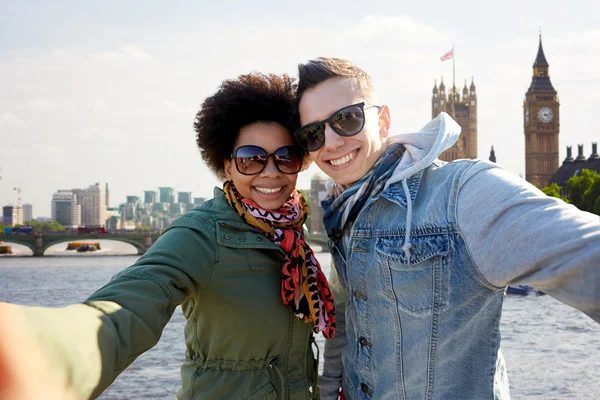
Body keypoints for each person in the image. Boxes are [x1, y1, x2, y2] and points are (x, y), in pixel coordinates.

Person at [0, 72, 336, 400]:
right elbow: (129, 305)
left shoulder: (291, 235)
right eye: (251, 159)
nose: (270, 172)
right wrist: (38, 353)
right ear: (228, 165)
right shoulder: (202, 234)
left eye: (285, 157)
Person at [293, 57, 600, 400]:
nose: (332, 142)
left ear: (382, 120)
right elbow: (347, 320)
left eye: (347, 119)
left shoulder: (462, 192)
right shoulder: (344, 210)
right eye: (313, 133)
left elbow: (586, 251)